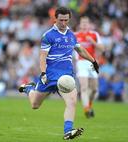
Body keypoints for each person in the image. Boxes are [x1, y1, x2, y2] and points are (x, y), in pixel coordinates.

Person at [18, 7, 99, 140]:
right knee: (35, 105)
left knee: (72, 101)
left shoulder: (71, 35)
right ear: (55, 19)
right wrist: (43, 73)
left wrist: (93, 60)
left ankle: (68, 131)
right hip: (49, 76)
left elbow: (80, 50)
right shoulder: (48, 35)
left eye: (66, 20)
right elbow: (42, 56)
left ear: (69, 19)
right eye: (60, 20)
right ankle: (28, 88)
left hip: (66, 76)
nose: (63, 23)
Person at [75, 16, 104, 118]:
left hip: (92, 62)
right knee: (84, 87)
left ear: (89, 24)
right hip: (81, 62)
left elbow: (102, 48)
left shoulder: (94, 34)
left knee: (94, 89)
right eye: (82, 22)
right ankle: (86, 109)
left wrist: (93, 42)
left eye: (86, 23)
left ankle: (89, 104)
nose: (84, 24)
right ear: (80, 24)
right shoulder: (75, 35)